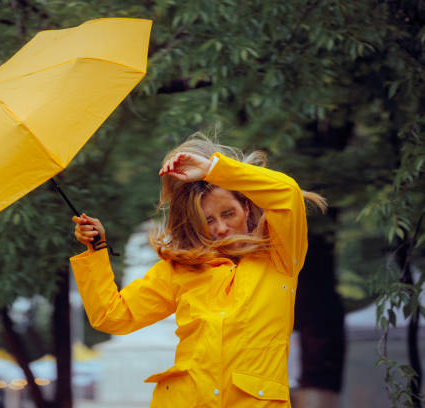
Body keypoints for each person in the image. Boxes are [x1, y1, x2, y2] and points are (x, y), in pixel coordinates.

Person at [70, 133, 326, 407]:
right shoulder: (179, 270)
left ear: (247, 207)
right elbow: (111, 316)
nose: (220, 228)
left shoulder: (280, 255)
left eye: (228, 213)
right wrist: (96, 251)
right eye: (208, 221)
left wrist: (214, 170)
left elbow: (286, 194)